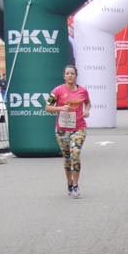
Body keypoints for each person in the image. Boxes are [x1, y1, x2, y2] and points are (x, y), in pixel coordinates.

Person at [45, 65, 91, 199]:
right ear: (64, 76)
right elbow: (47, 107)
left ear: (76, 75)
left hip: (79, 128)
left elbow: (88, 103)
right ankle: (69, 183)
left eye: (72, 73)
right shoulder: (57, 91)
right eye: (67, 73)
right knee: (67, 158)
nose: (70, 75)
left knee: (75, 154)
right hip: (62, 130)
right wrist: (60, 108)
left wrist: (87, 110)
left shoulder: (83, 91)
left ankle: (76, 185)